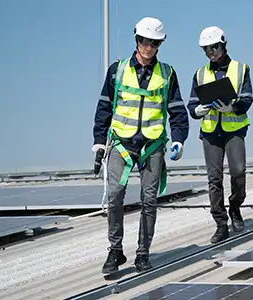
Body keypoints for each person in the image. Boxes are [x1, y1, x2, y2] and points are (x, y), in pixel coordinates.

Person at [92, 17, 189, 274]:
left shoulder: (167, 74)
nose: (149, 46)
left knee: (149, 200)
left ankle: (143, 254)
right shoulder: (117, 70)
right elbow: (104, 107)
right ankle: (115, 251)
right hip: (121, 144)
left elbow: (177, 111)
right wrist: (99, 142)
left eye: (155, 42)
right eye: (146, 41)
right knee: (114, 197)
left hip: (152, 145)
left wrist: (178, 138)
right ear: (137, 40)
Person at [187, 26, 253, 244]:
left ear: (223, 44)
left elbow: (247, 99)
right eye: (206, 49)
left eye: (214, 47)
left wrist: (231, 108)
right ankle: (220, 223)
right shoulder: (199, 74)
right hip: (210, 132)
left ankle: (235, 208)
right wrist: (197, 111)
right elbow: (192, 105)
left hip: (234, 129)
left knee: (238, 171)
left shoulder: (241, 69)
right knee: (214, 179)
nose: (210, 52)